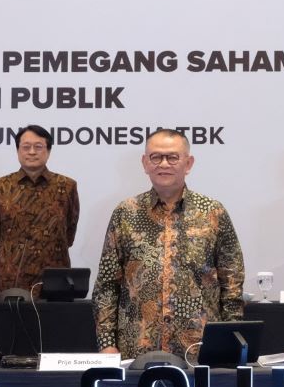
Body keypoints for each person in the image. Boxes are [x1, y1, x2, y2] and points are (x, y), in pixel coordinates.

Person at [94, 128, 245, 358]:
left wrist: (230, 342)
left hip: (199, 351)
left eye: (172, 157)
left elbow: (232, 283)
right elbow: (106, 285)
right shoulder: (126, 213)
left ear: (188, 163)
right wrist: (106, 344)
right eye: (156, 157)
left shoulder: (212, 212)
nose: (163, 164)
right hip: (136, 351)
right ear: (145, 163)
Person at [0, 124, 80, 296]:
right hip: (12, 276)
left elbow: (69, 231)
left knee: (58, 315)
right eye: (26, 147)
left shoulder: (66, 186)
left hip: (55, 275)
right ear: (17, 151)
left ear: (48, 151)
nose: (32, 152)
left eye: (38, 147)